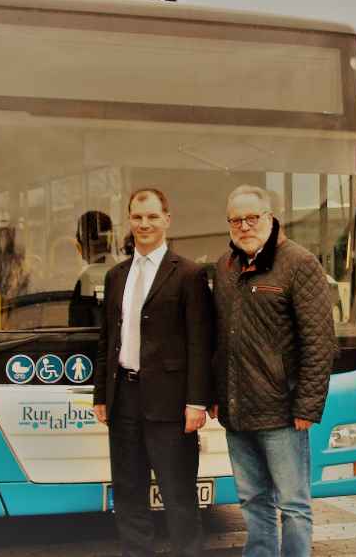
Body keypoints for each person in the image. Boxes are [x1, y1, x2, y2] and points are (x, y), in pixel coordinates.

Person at [209, 184, 338, 557]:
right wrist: (218, 395)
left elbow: (319, 341)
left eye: (252, 218)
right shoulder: (226, 265)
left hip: (282, 412)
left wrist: (306, 407)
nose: (244, 226)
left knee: (294, 506)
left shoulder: (299, 264)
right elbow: (220, 339)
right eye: (236, 220)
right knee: (252, 500)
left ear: (270, 218)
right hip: (236, 411)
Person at [93, 188, 214, 557]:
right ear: (129, 221)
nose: (144, 224)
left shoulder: (189, 274)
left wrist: (197, 401)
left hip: (171, 404)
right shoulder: (116, 275)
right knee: (129, 493)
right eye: (137, 217)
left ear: (166, 219)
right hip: (123, 399)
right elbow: (106, 339)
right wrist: (101, 395)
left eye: (151, 217)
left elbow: (200, 343)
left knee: (178, 495)